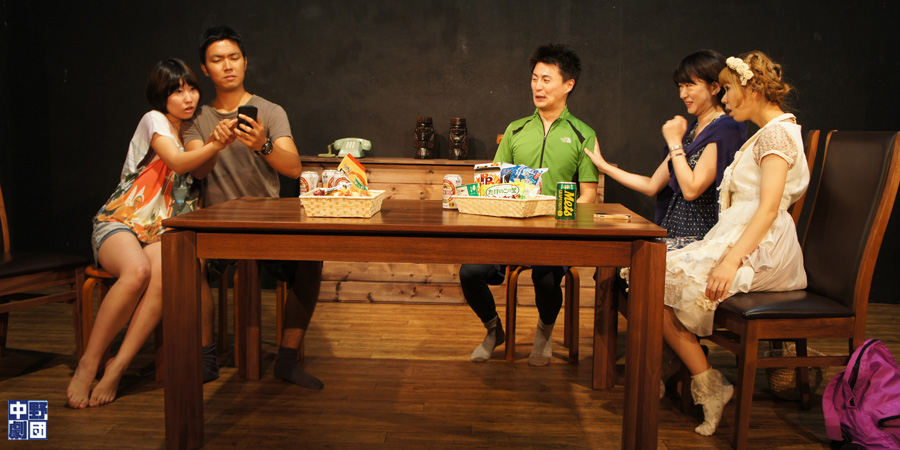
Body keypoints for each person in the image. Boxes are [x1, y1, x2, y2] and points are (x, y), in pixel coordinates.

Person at [662, 51, 809, 436]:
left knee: (656, 278)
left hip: (764, 247)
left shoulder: (777, 134)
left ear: (752, 90)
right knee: (650, 275)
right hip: (741, 236)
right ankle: (704, 379)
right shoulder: (765, 133)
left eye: (728, 90)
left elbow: (768, 209)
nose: (724, 99)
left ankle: (702, 381)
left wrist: (730, 262)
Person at [67, 59, 228, 408]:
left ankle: (117, 367)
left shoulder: (192, 130)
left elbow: (201, 169)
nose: (188, 97)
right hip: (120, 222)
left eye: (191, 88)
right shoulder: (154, 120)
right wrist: (215, 144)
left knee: (164, 274)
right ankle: (88, 364)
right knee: (137, 270)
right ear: (161, 96)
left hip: (158, 232)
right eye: (177, 91)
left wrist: (215, 143)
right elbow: (178, 162)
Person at [184, 25, 324, 389]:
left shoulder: (270, 111)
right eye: (217, 60)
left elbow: (293, 168)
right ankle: (206, 360)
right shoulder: (197, 119)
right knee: (189, 261)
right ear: (205, 69)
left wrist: (263, 144)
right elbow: (197, 170)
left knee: (312, 258)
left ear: (245, 62)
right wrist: (214, 145)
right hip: (218, 225)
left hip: (268, 221)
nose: (227, 65)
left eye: (234, 57)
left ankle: (286, 361)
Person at [460, 44, 599, 366]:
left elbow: (589, 194)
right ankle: (494, 330)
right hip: (509, 230)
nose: (538, 86)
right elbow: (493, 182)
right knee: (470, 271)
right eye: (535, 78)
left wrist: (563, 219)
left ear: (568, 84)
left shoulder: (584, 135)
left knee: (546, 278)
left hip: (555, 234)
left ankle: (544, 333)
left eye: (547, 79)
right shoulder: (516, 129)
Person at [585, 50, 746, 251]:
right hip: (671, 231)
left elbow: (691, 190)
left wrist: (675, 143)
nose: (683, 94)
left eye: (689, 85)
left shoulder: (726, 128)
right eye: (680, 86)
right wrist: (604, 167)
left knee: (627, 255)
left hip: (700, 239)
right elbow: (652, 185)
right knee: (614, 250)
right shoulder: (691, 130)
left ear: (714, 87)